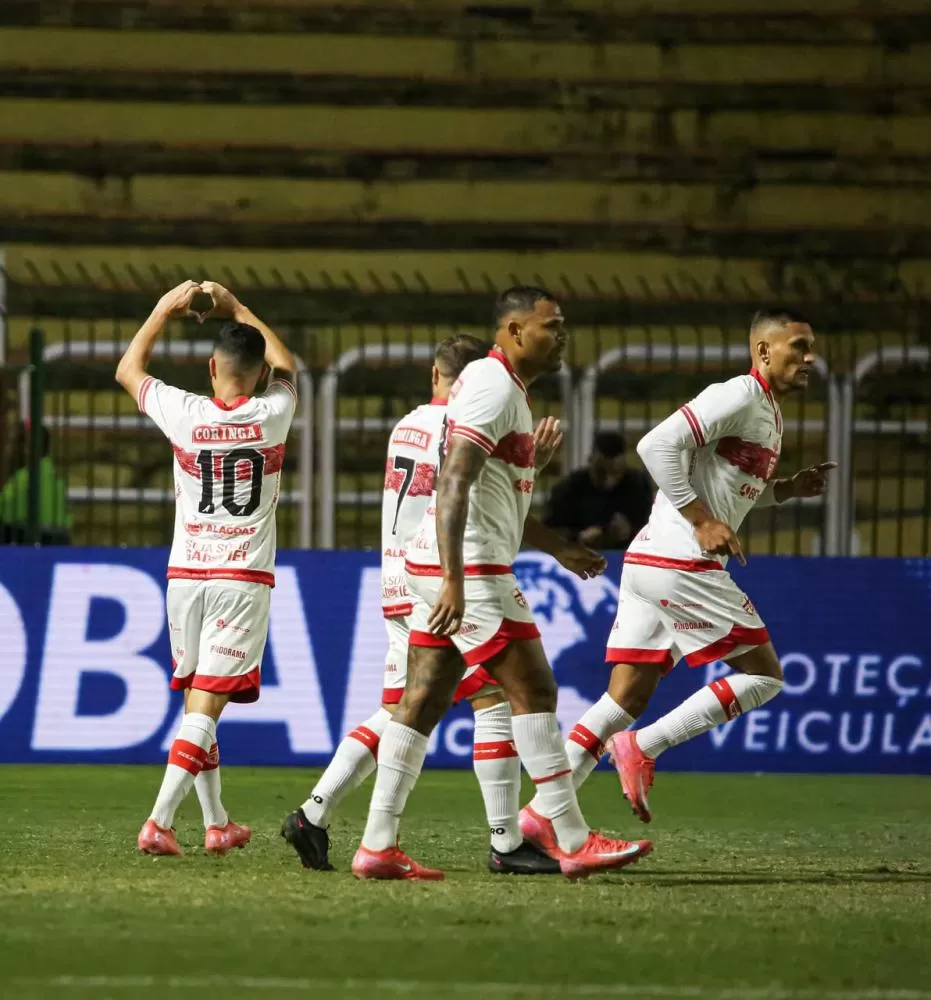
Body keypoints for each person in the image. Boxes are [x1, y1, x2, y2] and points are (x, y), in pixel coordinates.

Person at [350, 286, 654, 881]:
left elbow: (494, 497)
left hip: (447, 562)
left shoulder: (502, 387)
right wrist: (454, 580)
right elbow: (452, 483)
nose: (561, 335)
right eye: (551, 325)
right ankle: (571, 837)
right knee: (534, 689)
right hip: (468, 567)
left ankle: (377, 845)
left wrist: (558, 545)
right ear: (514, 331)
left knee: (423, 701)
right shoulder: (493, 386)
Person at [522, 308, 837, 831]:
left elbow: (729, 489)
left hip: (650, 561)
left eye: (811, 348)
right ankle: (644, 747)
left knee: (622, 700)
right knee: (763, 676)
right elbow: (654, 446)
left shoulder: (767, 411)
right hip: (681, 560)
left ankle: (538, 820)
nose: (809, 358)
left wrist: (784, 489)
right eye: (798, 346)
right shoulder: (738, 394)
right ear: (763, 351)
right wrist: (701, 520)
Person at [281, 334, 559, 875]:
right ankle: (506, 842)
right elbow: (474, 502)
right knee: (494, 700)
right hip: (437, 580)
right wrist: (529, 469)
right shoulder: (467, 425)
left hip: (394, 580)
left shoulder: (406, 425)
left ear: (436, 375)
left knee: (401, 710)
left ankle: (313, 814)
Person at [116, 279, 298, 856]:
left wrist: (163, 309)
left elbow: (127, 370)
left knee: (199, 698)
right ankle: (160, 822)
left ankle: (217, 822)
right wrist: (238, 306)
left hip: (184, 577)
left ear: (211, 368)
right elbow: (288, 366)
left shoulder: (186, 413)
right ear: (259, 375)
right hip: (240, 581)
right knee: (207, 704)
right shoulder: (274, 412)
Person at [543, 430, 653, 550]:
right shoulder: (569, 488)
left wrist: (632, 532)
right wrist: (577, 537)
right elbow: (548, 532)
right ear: (590, 461)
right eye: (601, 473)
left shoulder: (637, 487)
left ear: (624, 467)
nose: (607, 480)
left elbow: (655, 530)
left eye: (615, 472)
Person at [0, 424, 71, 545]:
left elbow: (3, 508)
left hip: (33, 540)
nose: (8, 450)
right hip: (60, 542)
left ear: (27, 448)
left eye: (13, 444)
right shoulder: (56, 476)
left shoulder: (24, 478)